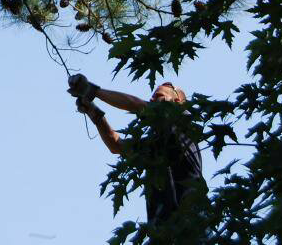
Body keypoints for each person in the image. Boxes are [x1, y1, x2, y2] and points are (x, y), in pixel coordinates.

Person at [67, 74, 204, 228]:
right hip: (162, 232)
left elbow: (138, 105)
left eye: (158, 96)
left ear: (178, 101)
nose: (152, 101)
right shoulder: (155, 147)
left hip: (191, 226)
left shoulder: (182, 120)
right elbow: (116, 145)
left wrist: (92, 91)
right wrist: (96, 115)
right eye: (151, 99)